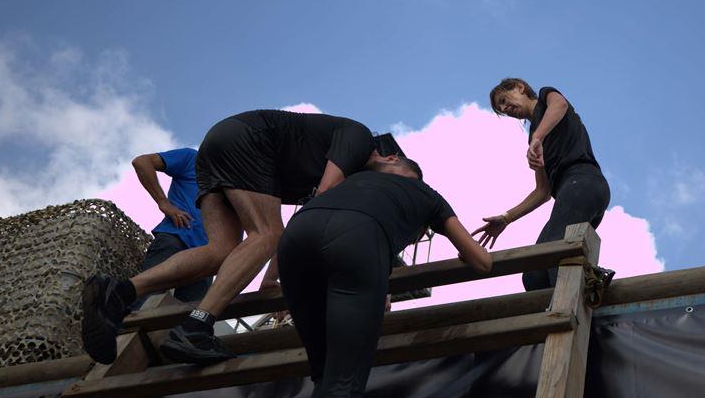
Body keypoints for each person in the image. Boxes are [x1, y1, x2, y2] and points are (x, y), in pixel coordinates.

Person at [82, 110, 383, 366]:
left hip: (221, 151)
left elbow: (301, 223)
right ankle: (196, 327)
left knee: (222, 251)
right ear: (390, 158)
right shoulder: (361, 139)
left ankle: (118, 292)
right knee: (266, 233)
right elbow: (318, 203)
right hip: (246, 141)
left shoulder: (326, 171)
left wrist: (271, 278)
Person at [278, 137, 491, 398]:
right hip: (358, 237)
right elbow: (482, 262)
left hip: (296, 234)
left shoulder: (350, 182)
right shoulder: (427, 194)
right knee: (344, 381)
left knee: (323, 372)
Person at [475, 78, 611, 291]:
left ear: (519, 87)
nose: (505, 108)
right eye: (501, 109)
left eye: (503, 100)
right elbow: (542, 192)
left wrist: (538, 137)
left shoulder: (546, 97)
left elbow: (561, 105)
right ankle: (562, 306)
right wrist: (506, 218)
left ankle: (591, 283)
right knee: (534, 275)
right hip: (568, 196)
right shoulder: (533, 139)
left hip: (584, 183)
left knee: (556, 249)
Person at [128, 148, 210, 309]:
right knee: (143, 301)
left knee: (186, 317)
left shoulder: (234, 183)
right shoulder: (193, 159)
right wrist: (163, 203)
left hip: (208, 259)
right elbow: (142, 162)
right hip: (176, 239)